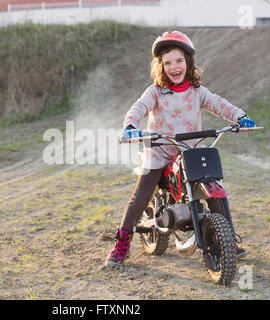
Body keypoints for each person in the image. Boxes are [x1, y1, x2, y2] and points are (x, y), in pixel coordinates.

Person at [104, 31, 255, 268]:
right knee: (140, 199)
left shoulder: (198, 92)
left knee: (217, 193)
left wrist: (240, 116)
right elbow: (138, 108)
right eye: (168, 63)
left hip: (192, 153)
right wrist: (131, 126)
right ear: (161, 67)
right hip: (160, 153)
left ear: (188, 63)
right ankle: (120, 247)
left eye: (179, 61)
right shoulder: (155, 91)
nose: (174, 67)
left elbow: (219, 104)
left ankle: (226, 240)